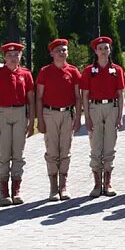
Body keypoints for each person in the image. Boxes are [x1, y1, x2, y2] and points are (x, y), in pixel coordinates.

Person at [0, 41, 35, 206]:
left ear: (20, 56)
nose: (13, 58)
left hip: (20, 113)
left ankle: (16, 190)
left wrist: (31, 121)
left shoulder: (26, 74)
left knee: (18, 153)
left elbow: (30, 99)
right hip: (2, 113)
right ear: (4, 57)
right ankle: (3, 193)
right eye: (10, 55)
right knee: (3, 153)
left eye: (16, 54)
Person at [80, 36, 125, 198]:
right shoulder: (88, 71)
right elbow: (84, 95)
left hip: (112, 108)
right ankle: (97, 184)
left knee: (109, 146)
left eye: (106, 48)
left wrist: (120, 116)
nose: (103, 51)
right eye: (100, 48)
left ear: (110, 50)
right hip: (95, 108)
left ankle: (107, 183)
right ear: (95, 51)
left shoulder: (117, 70)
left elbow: (121, 95)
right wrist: (87, 117)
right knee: (96, 146)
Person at [35, 38, 81, 201]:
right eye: (59, 50)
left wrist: (78, 118)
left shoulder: (73, 71)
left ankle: (64, 185)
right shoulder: (45, 72)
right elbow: (39, 97)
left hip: (67, 114)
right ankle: (53, 187)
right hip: (50, 114)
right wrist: (39, 119)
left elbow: (77, 96)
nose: (62, 53)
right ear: (52, 53)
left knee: (65, 150)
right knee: (52, 151)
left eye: (64, 50)